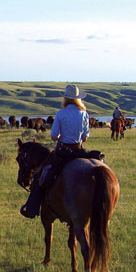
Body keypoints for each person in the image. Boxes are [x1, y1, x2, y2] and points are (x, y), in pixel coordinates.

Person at [20, 84, 90, 219]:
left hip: (63, 151)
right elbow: (85, 138)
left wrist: (60, 136)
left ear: (66, 98)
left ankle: (32, 208)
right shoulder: (84, 114)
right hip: (79, 150)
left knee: (41, 174)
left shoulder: (61, 113)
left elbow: (53, 136)